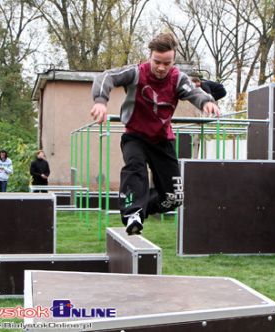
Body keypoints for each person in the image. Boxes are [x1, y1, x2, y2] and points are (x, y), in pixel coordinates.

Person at [90, 32, 219, 235]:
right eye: (157, 62)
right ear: (150, 56)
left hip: (162, 141)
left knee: (174, 198)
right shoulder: (136, 73)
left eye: (166, 63)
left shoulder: (178, 79)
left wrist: (207, 101)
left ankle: (141, 208)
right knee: (135, 167)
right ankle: (133, 212)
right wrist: (100, 101)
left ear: (173, 60)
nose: (161, 68)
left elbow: (194, 92)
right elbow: (105, 77)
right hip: (135, 137)